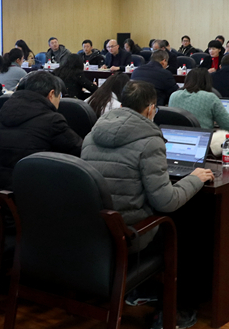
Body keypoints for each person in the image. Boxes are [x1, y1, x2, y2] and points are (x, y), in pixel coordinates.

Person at [82, 80, 213, 328]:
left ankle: (141, 289)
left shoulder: (92, 134)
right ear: (151, 109)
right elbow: (167, 201)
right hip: (130, 235)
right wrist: (195, 178)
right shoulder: (150, 141)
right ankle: (178, 307)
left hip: (97, 230)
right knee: (189, 227)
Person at [0, 71, 82, 190]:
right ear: (51, 94)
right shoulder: (52, 120)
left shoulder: (3, 111)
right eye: (59, 96)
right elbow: (79, 150)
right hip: (37, 189)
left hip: (1, 186)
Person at [168, 68, 229, 154]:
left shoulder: (173, 96)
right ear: (207, 82)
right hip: (201, 147)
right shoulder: (210, 97)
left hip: (174, 145)